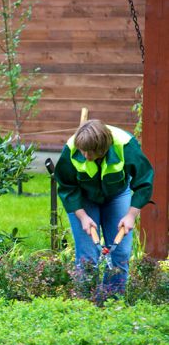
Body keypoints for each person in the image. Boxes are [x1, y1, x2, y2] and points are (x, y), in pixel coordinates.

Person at [54, 119, 153, 296]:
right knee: (87, 257)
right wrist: (83, 217)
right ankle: (86, 304)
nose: (84, 155)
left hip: (117, 194)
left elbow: (144, 182)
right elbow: (67, 187)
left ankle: (112, 302)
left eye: (89, 152)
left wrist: (131, 215)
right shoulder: (72, 149)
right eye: (82, 150)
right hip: (83, 198)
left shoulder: (125, 145)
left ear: (103, 148)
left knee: (120, 253)